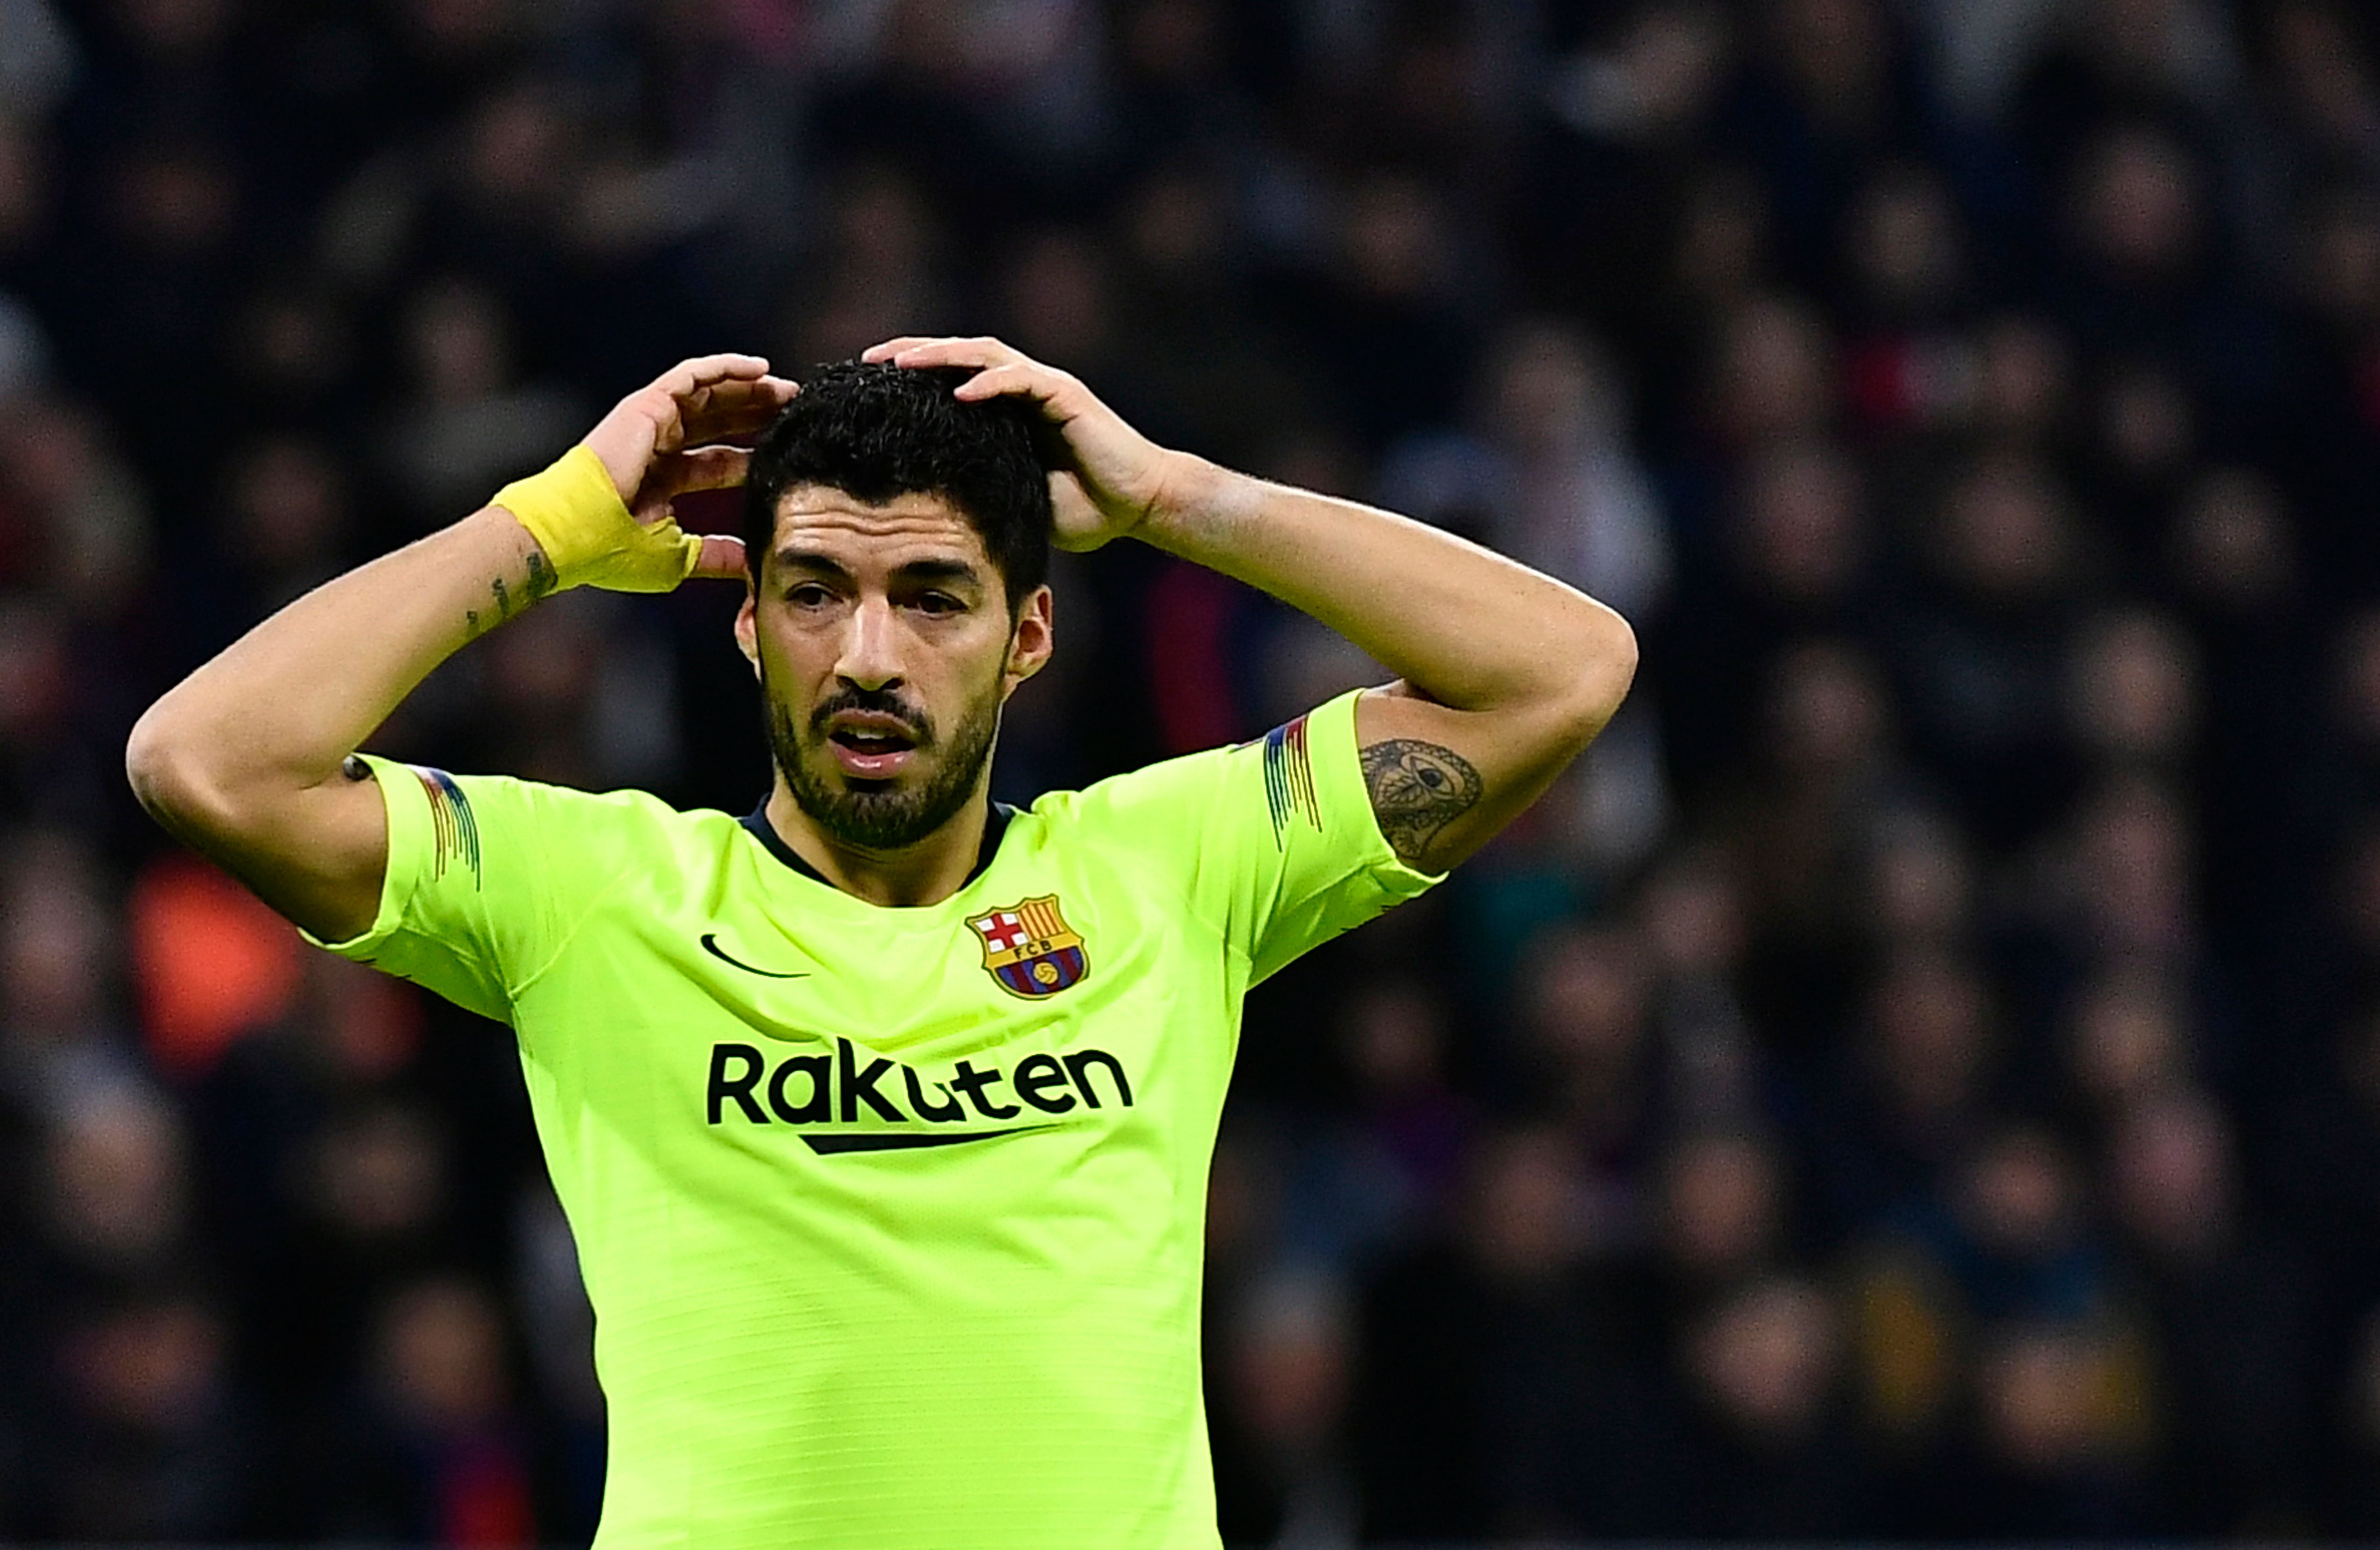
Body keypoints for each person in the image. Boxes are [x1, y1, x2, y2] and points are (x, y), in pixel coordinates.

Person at [123, 340, 1638, 1548]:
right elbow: (209, 763)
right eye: (814, 593)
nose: (867, 654)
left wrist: (1177, 496)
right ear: (749, 627)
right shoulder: (597, 893)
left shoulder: (1170, 869)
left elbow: (1561, 670)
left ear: (1028, 635)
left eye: (932, 599)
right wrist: (558, 522)